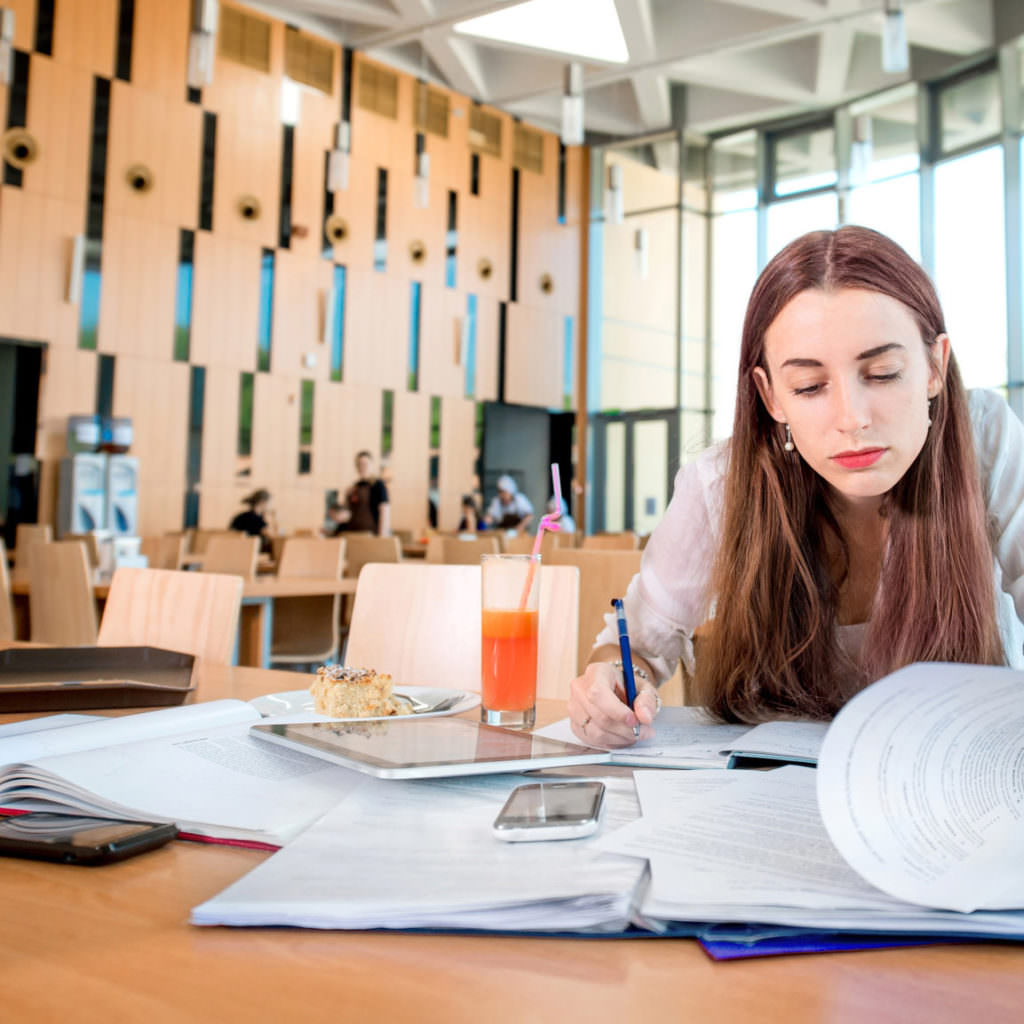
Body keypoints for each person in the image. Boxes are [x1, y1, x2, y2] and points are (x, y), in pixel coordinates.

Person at [569, 225, 1024, 748]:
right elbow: (639, 651)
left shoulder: (985, 439)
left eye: (882, 373)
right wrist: (611, 684)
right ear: (771, 396)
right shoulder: (722, 485)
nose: (851, 418)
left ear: (935, 368)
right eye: (809, 386)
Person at [343, 451, 390, 536]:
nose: (362, 467)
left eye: (365, 464)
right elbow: (348, 513)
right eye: (360, 464)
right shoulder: (354, 487)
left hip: (371, 534)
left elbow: (384, 511)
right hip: (353, 533)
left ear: (372, 465)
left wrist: (382, 536)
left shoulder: (378, 485)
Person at [229, 489, 275, 554]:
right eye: (269, 503)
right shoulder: (257, 520)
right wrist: (271, 519)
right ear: (263, 502)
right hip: (251, 554)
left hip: (235, 552)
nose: (270, 506)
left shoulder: (239, 516)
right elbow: (271, 536)